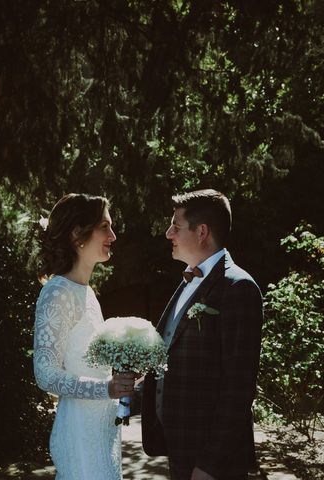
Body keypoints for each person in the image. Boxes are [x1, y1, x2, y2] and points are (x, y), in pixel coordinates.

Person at [141, 189, 263, 480]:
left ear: (202, 232)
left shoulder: (238, 288)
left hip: (212, 463)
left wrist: (209, 465)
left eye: (176, 226)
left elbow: (239, 387)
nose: (168, 233)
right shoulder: (188, 280)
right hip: (180, 448)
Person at [33, 193, 136, 480]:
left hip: (103, 430)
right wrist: (105, 388)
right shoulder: (57, 293)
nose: (113, 236)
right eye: (105, 226)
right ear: (78, 233)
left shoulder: (87, 293)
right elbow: (45, 373)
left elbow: (90, 365)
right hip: (78, 431)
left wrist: (124, 381)